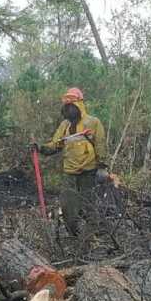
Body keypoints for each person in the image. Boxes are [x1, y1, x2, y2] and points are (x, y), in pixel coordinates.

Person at [32, 87, 108, 235]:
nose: (68, 107)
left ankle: (92, 237)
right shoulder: (64, 126)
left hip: (89, 172)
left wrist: (102, 166)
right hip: (70, 173)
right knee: (68, 207)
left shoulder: (93, 122)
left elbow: (100, 144)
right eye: (66, 104)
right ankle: (75, 236)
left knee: (89, 206)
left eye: (71, 103)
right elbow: (56, 144)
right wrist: (40, 148)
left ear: (79, 104)